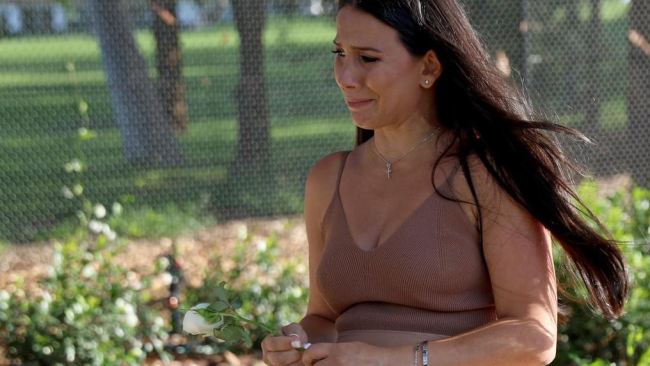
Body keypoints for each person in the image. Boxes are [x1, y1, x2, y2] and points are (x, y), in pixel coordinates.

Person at [262, 1, 629, 365]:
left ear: (430, 66)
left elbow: (534, 336)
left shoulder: (487, 174)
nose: (346, 75)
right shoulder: (328, 179)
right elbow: (324, 318)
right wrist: (300, 341)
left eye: (368, 58)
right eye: (339, 53)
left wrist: (393, 360)